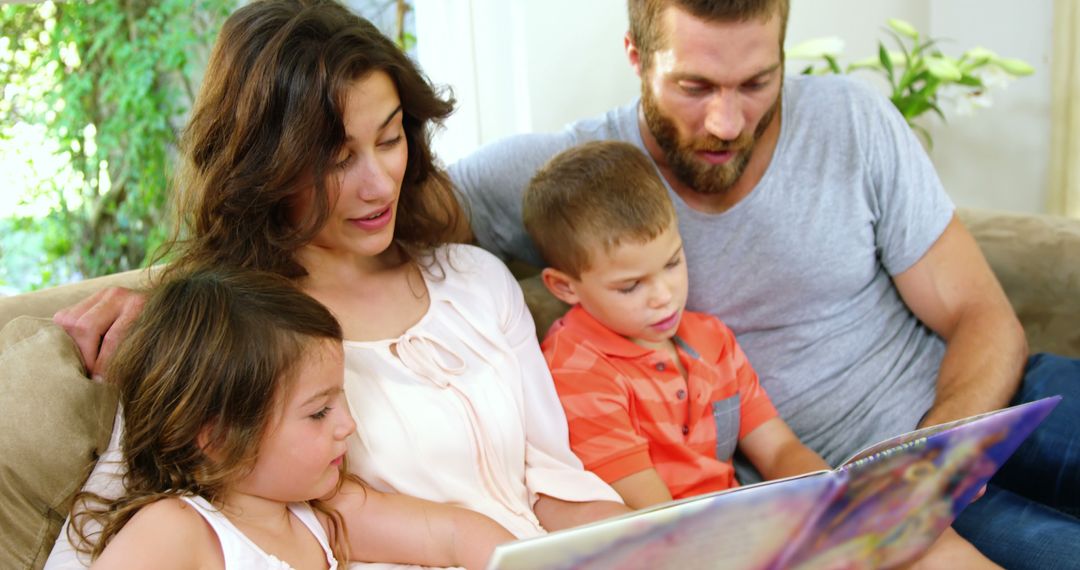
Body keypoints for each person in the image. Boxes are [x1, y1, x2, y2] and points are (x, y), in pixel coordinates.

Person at [447, 1, 1080, 567]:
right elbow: (389, 203)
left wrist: (927, 457)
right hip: (855, 494)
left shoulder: (850, 119)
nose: (726, 122)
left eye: (757, 83)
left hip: (983, 407)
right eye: (693, 87)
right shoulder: (575, 181)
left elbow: (984, 315)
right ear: (637, 58)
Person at [48, 1, 628, 567]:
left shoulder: (475, 281)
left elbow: (554, 482)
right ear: (263, 168)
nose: (379, 186)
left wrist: (654, 544)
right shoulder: (230, 340)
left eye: (390, 138)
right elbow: (105, 535)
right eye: (337, 158)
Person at [522, 140, 997, 568]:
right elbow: (654, 516)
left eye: (672, 262)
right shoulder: (578, 368)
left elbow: (779, 449)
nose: (664, 295)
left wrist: (835, 498)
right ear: (564, 287)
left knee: (928, 536)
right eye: (631, 286)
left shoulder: (710, 338)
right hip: (680, 547)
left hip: (750, 527)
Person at [70, 268, 513, 569]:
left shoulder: (321, 513)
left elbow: (453, 533)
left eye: (340, 400)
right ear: (219, 437)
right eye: (319, 412)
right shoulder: (179, 529)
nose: (348, 425)